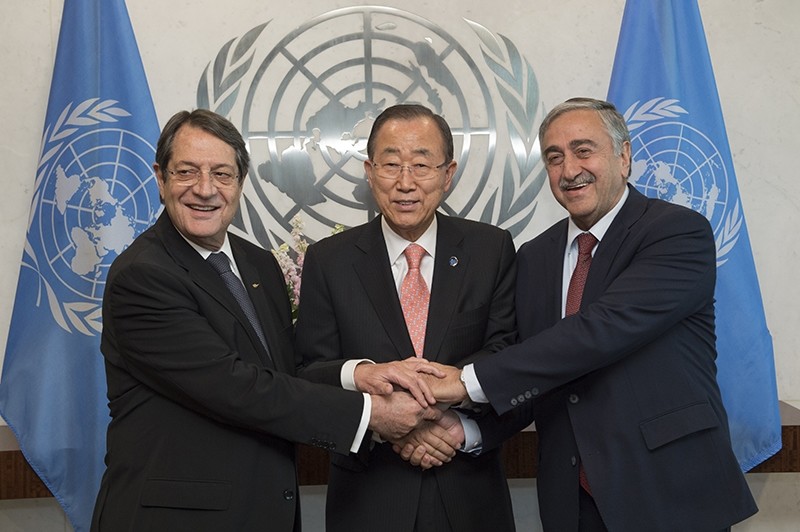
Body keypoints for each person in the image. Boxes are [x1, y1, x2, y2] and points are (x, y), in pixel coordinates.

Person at [90, 109, 440, 532]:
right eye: (187, 172)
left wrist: (360, 375)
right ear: (160, 179)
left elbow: (286, 372)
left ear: (240, 183)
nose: (205, 189)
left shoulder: (258, 264)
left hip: (262, 510)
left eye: (222, 174)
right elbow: (235, 387)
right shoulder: (142, 277)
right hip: (176, 518)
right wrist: (373, 414)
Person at [423, 98, 757, 531]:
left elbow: (599, 331)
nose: (569, 170)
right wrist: (466, 431)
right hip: (572, 501)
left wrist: (464, 381)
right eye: (554, 157)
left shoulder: (676, 232)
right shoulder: (534, 257)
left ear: (624, 156)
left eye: (584, 150)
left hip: (671, 493)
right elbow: (533, 367)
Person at [294, 104, 518, 532]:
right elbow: (309, 371)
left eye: (421, 164)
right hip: (369, 498)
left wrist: (449, 422)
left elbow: (507, 351)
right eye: (391, 164)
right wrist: (384, 421)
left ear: (448, 174)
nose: (405, 182)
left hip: (469, 493)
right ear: (369, 171)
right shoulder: (329, 260)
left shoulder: (490, 249)